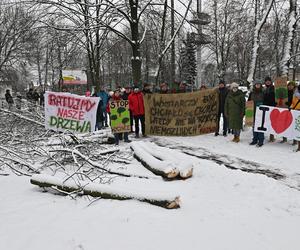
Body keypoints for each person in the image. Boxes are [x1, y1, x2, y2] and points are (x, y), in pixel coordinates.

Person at [248, 81, 265, 147]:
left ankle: (261, 140)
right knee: (254, 126)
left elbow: (265, 101)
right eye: (256, 84)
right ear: (255, 85)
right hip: (253, 111)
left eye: (259, 84)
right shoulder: (252, 93)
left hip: (261, 111)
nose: (257, 85)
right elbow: (249, 101)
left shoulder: (263, 93)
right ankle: (255, 139)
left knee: (260, 126)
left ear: (260, 85)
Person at [263, 76, 276, 142]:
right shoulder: (264, 89)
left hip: (273, 107)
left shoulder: (274, 88)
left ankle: (272, 136)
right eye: (266, 81)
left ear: (271, 82)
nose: (268, 82)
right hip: (266, 107)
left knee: (272, 122)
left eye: (269, 81)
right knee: (267, 121)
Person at [290, 84, 300, 152]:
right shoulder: (295, 95)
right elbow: (293, 103)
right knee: (297, 129)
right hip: (296, 112)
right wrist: (290, 107)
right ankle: (298, 145)